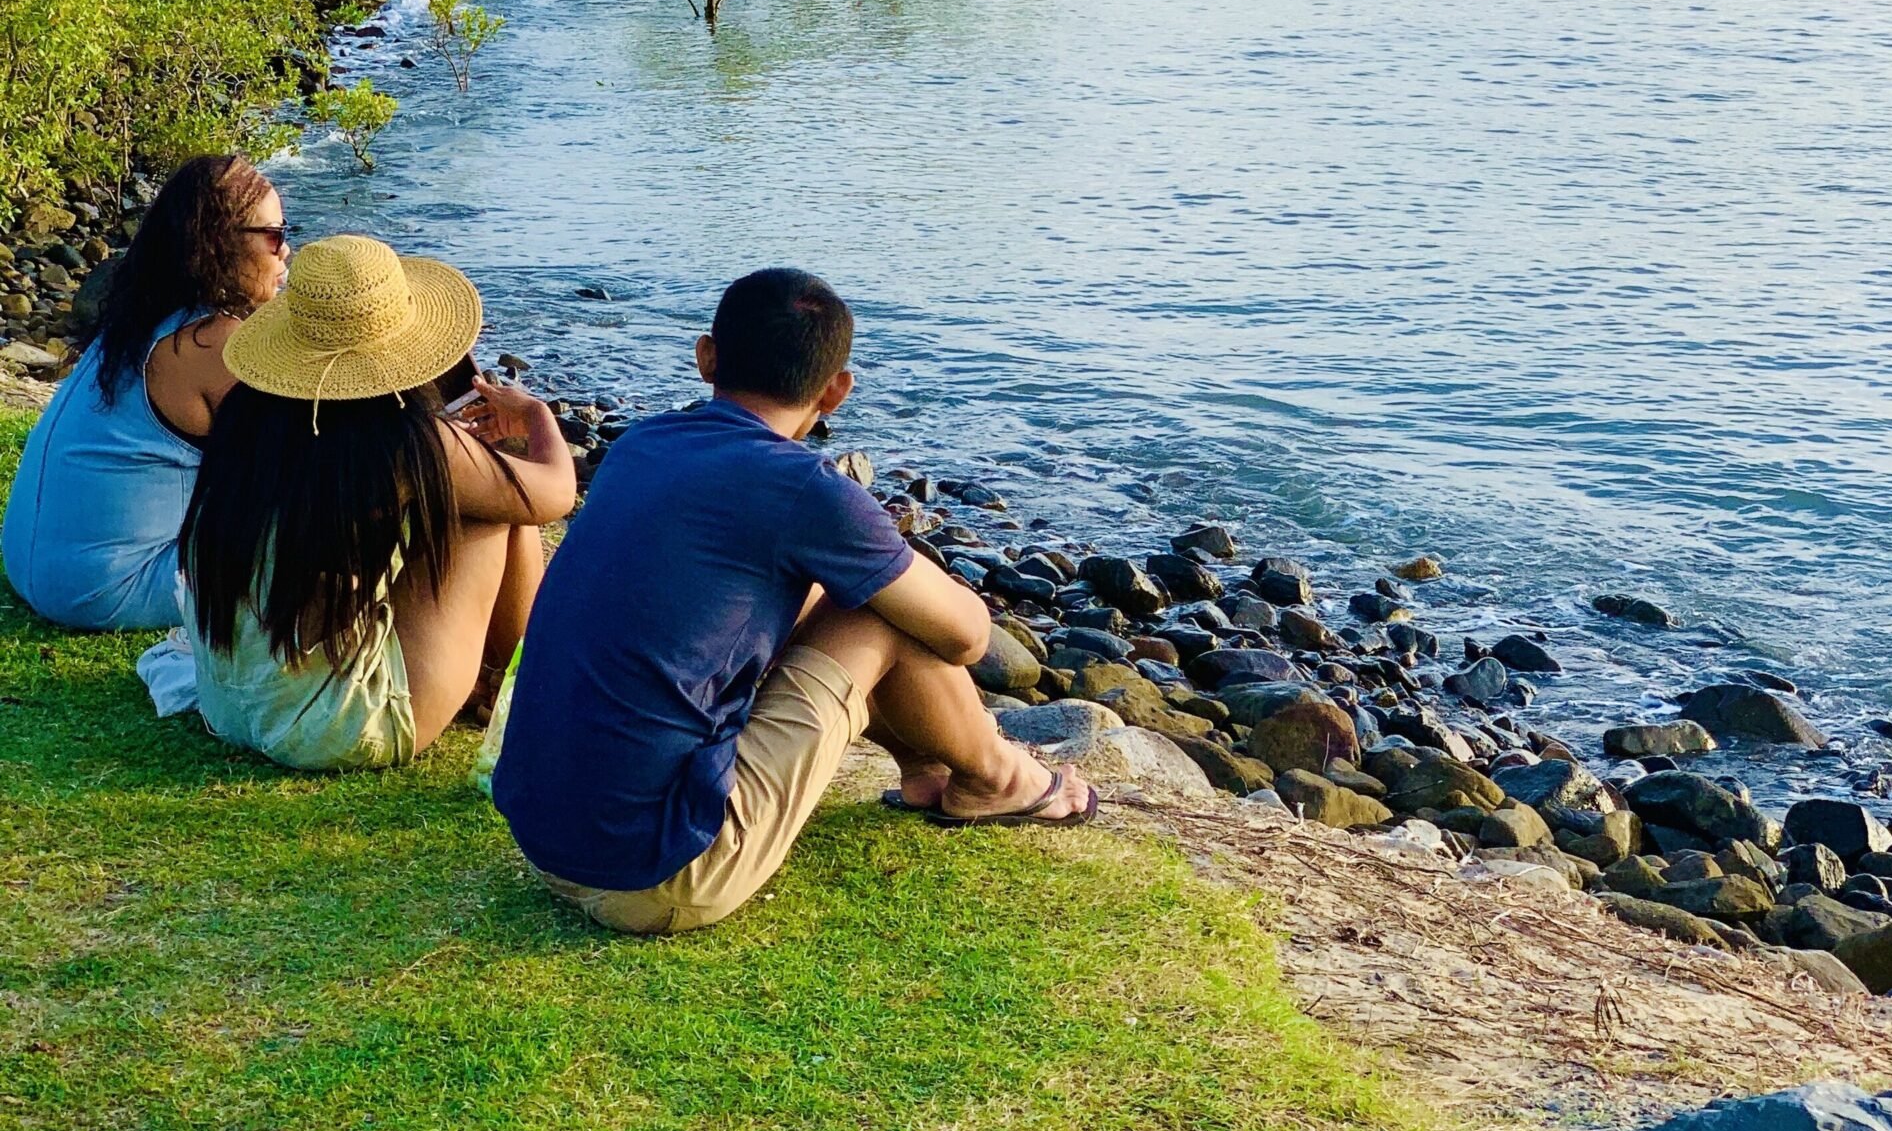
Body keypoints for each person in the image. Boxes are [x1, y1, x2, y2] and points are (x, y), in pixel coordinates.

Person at [491, 266, 1095, 939]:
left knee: (834, 590)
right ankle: (1000, 777)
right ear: (836, 390)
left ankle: (928, 769)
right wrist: (885, 550)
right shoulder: (802, 487)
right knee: (877, 607)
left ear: (706, 358)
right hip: (656, 877)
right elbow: (966, 638)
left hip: (546, 841)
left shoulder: (641, 445)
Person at [179, 233, 576, 772]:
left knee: (476, 493)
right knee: (497, 509)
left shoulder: (248, 419)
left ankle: (497, 679)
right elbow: (553, 493)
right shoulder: (406, 443)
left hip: (232, 699)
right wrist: (536, 418)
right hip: (336, 727)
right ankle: (519, 691)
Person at [1, 154, 290, 630]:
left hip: (39, 567)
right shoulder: (212, 344)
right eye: (274, 235)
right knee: (334, 527)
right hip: (106, 588)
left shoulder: (141, 323)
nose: (285, 253)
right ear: (217, 243)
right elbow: (300, 469)